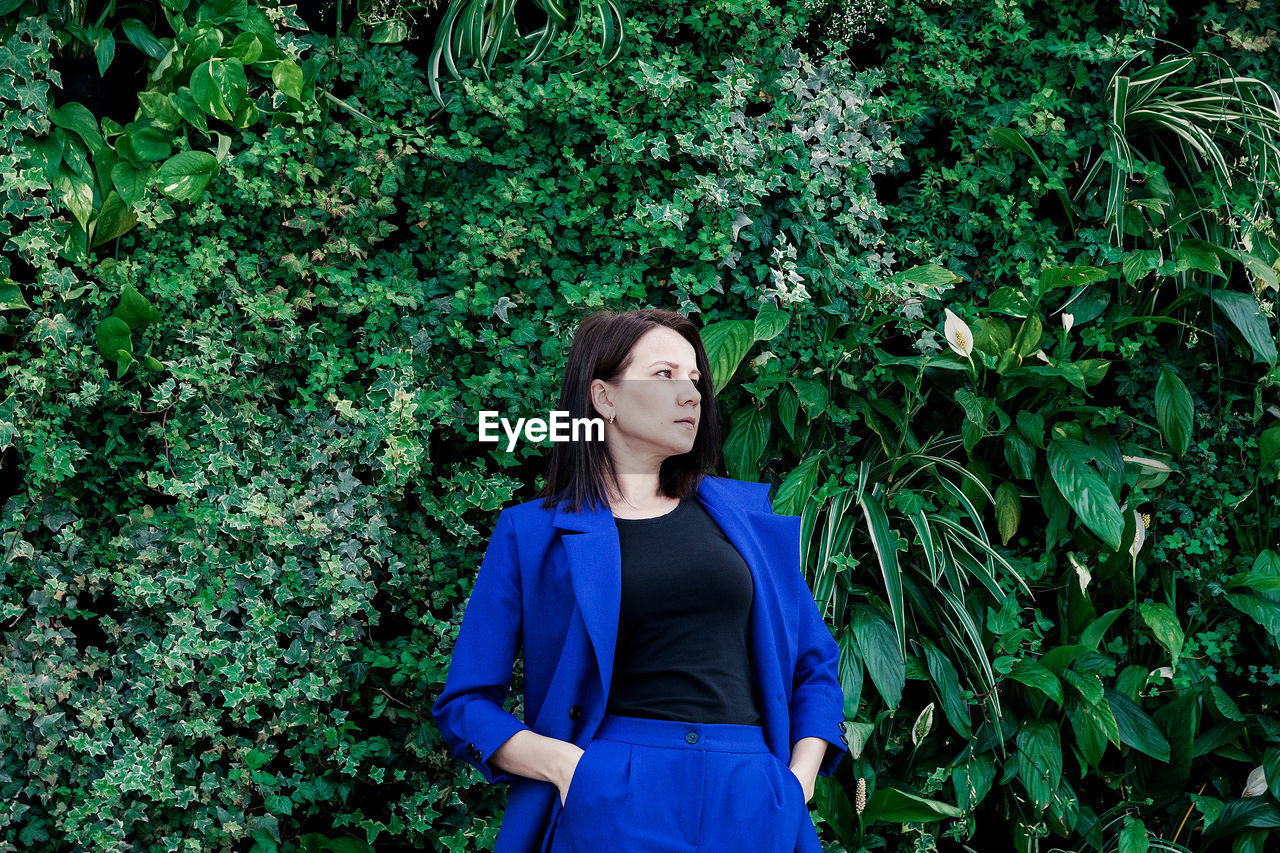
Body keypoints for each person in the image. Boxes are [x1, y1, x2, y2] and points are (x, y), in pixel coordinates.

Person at [432, 308, 848, 853]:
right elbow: (465, 704)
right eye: (664, 375)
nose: (691, 393)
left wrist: (799, 779)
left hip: (752, 792)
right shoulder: (532, 533)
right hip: (613, 791)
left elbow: (814, 667)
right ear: (604, 398)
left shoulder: (747, 520)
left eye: (694, 378)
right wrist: (567, 768)